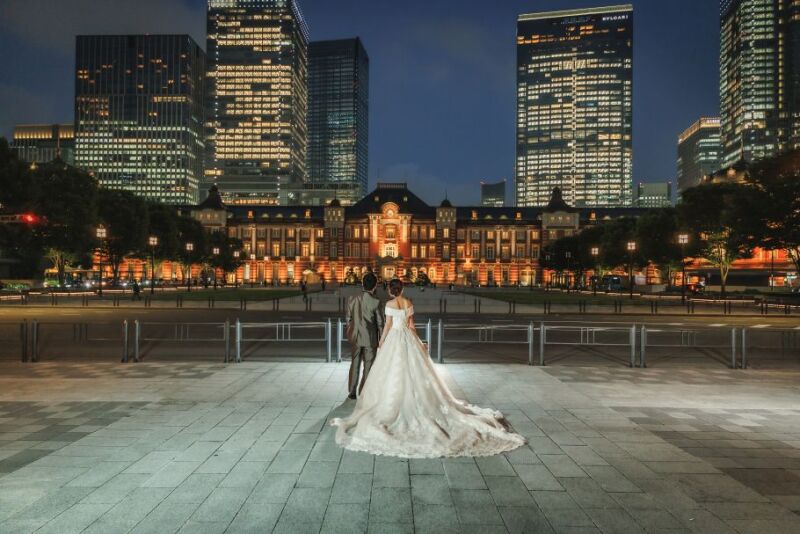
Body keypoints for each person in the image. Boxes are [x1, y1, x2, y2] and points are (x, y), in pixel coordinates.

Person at [332, 278, 526, 458]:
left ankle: (394, 399)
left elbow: (388, 326)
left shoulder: (389, 305)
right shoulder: (408, 303)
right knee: (413, 371)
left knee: (392, 372)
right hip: (408, 339)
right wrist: (419, 342)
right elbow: (412, 326)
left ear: (390, 291)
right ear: (402, 289)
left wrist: (382, 342)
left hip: (394, 340)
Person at [344, 272, 384, 399]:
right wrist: (382, 339)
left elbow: (348, 319)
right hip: (370, 339)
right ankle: (363, 391)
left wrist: (351, 332)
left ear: (362, 284)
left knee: (354, 363)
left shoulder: (352, 299)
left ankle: (351, 391)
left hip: (355, 337)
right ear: (375, 285)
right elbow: (380, 323)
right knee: (368, 365)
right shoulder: (376, 302)